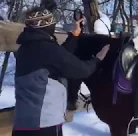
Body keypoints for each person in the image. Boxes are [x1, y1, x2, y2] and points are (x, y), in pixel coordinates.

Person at [12, 7, 110, 136]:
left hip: (22, 124)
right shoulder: (47, 49)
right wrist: (97, 59)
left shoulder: (25, 48)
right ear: (47, 26)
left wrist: (74, 36)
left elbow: (59, 58)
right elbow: (81, 69)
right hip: (44, 125)